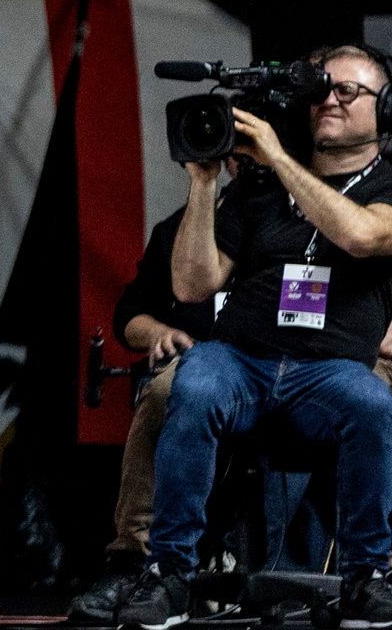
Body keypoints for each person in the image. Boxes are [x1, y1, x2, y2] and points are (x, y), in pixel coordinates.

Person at [118, 45, 392, 630]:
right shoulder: (259, 188)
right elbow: (192, 285)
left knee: (372, 402)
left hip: (331, 370)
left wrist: (280, 158)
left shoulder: (387, 185)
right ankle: (169, 573)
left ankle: (367, 576)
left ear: (386, 107)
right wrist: (202, 184)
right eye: (321, 89)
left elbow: (362, 236)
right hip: (242, 359)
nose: (329, 100)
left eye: (348, 91)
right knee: (194, 383)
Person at [67, 203, 220, 623]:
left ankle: (366, 568)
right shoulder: (179, 229)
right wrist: (161, 332)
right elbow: (130, 315)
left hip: (290, 363)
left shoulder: (306, 222)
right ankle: (134, 561)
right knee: (167, 390)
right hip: (204, 364)